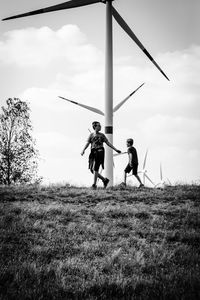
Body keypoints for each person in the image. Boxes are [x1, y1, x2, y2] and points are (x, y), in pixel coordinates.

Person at [81, 121, 121, 189]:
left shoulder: (102, 135)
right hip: (93, 152)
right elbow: (87, 143)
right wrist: (83, 150)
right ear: (95, 127)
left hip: (100, 151)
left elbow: (108, 143)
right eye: (99, 126)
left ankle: (94, 185)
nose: (100, 127)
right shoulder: (91, 135)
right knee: (91, 169)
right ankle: (104, 180)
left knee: (95, 168)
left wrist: (116, 149)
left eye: (100, 125)